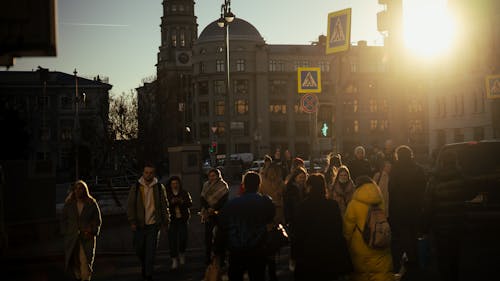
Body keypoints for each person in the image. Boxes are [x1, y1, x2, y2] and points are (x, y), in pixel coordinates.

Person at [215, 171, 275, 281]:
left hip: (236, 249)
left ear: (243, 185)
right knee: (258, 276)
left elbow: (221, 225)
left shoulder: (232, 204)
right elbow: (270, 218)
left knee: (235, 276)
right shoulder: (265, 202)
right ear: (259, 185)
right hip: (258, 248)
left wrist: (218, 251)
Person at [292, 173, 353, 281]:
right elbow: (338, 230)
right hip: (328, 255)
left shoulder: (302, 207)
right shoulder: (332, 206)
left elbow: (297, 234)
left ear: (309, 187)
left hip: (308, 256)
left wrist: (294, 256)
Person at [343, 176, 394, 281]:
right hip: (380, 241)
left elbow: (347, 230)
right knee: (382, 271)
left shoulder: (354, 204)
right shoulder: (380, 201)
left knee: (363, 274)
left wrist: (346, 245)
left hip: (360, 246)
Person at [127, 162, 170, 281]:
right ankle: (145, 266)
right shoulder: (136, 187)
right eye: (146, 172)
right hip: (140, 225)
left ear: (153, 174)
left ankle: (148, 274)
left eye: (151, 173)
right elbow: (130, 206)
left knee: (150, 252)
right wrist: (132, 221)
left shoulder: (159, 188)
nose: (148, 175)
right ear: (143, 173)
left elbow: (164, 205)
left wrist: (166, 221)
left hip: (153, 225)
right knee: (139, 249)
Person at [388, 145, 426, 277]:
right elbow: (424, 189)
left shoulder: (396, 169)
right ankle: (415, 261)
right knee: (414, 234)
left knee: (402, 236)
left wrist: (391, 212)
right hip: (415, 208)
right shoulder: (419, 169)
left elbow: (391, 190)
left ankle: (406, 262)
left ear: (398, 155)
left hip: (400, 209)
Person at [61, 180, 102, 281]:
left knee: (85, 261)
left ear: (85, 190)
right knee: (74, 261)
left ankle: (85, 278)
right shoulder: (69, 204)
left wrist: (92, 230)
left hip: (86, 237)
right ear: (74, 190)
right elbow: (63, 219)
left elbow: (97, 220)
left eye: (81, 189)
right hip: (72, 238)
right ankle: (78, 277)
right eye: (76, 189)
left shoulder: (91, 203)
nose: (78, 191)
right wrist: (66, 232)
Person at [259, 163, 285, 281]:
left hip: (277, 217)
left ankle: (272, 271)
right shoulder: (262, 183)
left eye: (275, 172)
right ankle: (268, 270)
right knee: (267, 246)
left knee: (273, 246)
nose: (273, 174)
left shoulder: (281, 183)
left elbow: (284, 198)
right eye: (271, 171)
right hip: (266, 218)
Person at [200, 168, 229, 265]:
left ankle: (221, 259)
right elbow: (202, 198)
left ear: (218, 175)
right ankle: (207, 258)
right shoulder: (205, 185)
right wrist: (208, 208)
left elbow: (224, 199)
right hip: (208, 214)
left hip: (219, 214)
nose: (212, 178)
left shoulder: (223, 185)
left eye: (214, 175)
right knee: (208, 237)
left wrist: (215, 208)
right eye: (210, 176)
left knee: (220, 237)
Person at [165, 175, 193, 270]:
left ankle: (181, 254)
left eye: (176, 183)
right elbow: (164, 204)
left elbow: (190, 203)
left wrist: (182, 201)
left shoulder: (184, 192)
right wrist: (171, 202)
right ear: (170, 184)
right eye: (173, 183)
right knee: (172, 240)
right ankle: (174, 259)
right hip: (172, 220)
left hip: (182, 219)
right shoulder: (167, 193)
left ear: (179, 184)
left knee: (183, 238)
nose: (174, 185)